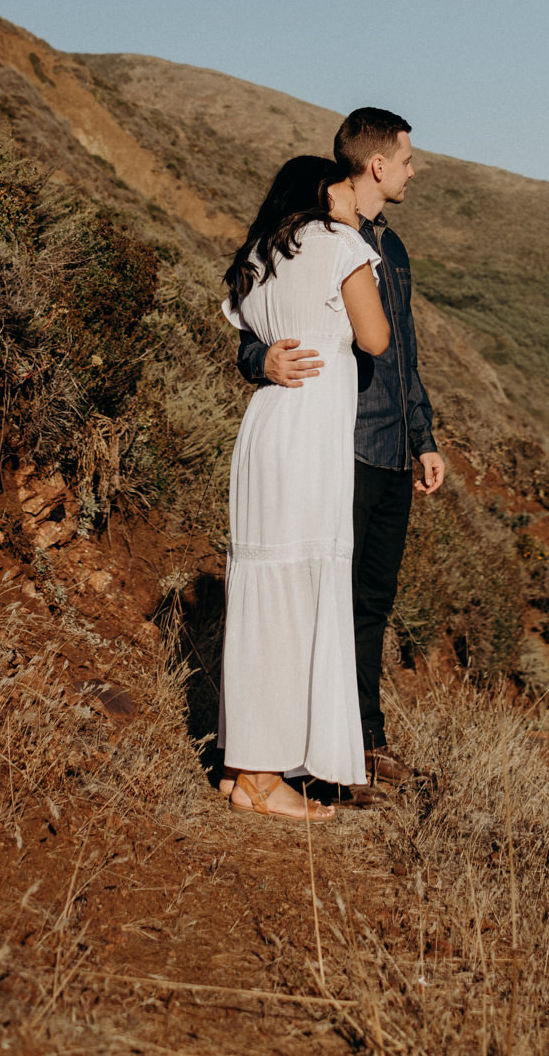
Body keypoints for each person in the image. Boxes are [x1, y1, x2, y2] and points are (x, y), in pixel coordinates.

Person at [236, 110, 445, 789]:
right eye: (408, 157)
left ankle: (361, 740)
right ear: (377, 164)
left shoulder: (394, 249)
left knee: (372, 602)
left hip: (391, 449)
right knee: (326, 596)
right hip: (337, 444)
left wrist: (424, 437)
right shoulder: (317, 241)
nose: (415, 169)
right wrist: (258, 360)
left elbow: (403, 350)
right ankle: (317, 753)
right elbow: (263, 327)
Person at [218, 154, 392, 821]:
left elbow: (248, 336)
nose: (357, 195)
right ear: (324, 191)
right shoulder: (340, 244)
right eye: (347, 186)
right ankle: (265, 779)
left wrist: (266, 354)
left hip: (263, 430)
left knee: (261, 593)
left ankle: (245, 766)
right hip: (311, 437)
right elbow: (374, 337)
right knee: (296, 597)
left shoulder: (257, 256)